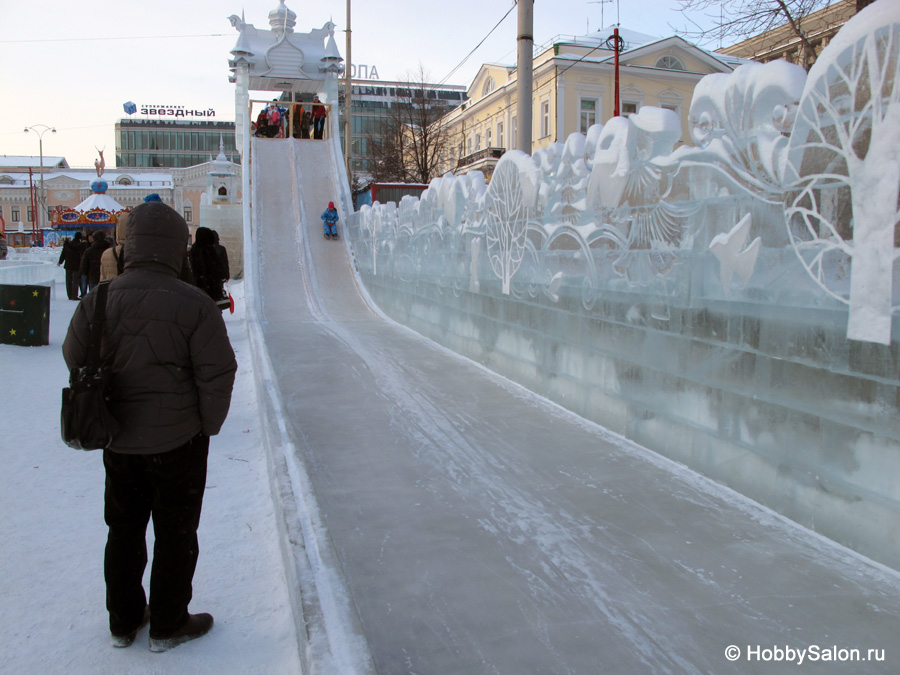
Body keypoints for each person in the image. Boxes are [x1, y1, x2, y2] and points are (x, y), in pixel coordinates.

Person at [62, 201, 237, 653]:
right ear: (174, 247)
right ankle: (168, 622)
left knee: (122, 530)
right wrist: (207, 424)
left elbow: (73, 354)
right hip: (179, 441)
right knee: (176, 533)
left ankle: (123, 621)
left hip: (118, 437)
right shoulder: (195, 302)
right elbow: (217, 371)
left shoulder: (100, 297)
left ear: (130, 245)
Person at [189, 227, 228, 307]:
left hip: (196, 288)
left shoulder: (193, 250)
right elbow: (220, 267)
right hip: (212, 287)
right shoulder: (211, 250)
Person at [57, 232, 86, 300]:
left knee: (68, 281)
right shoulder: (80, 245)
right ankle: (74, 296)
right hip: (76, 265)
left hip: (68, 265)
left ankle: (69, 295)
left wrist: (60, 262)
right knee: (75, 281)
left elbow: (63, 253)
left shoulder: (68, 244)